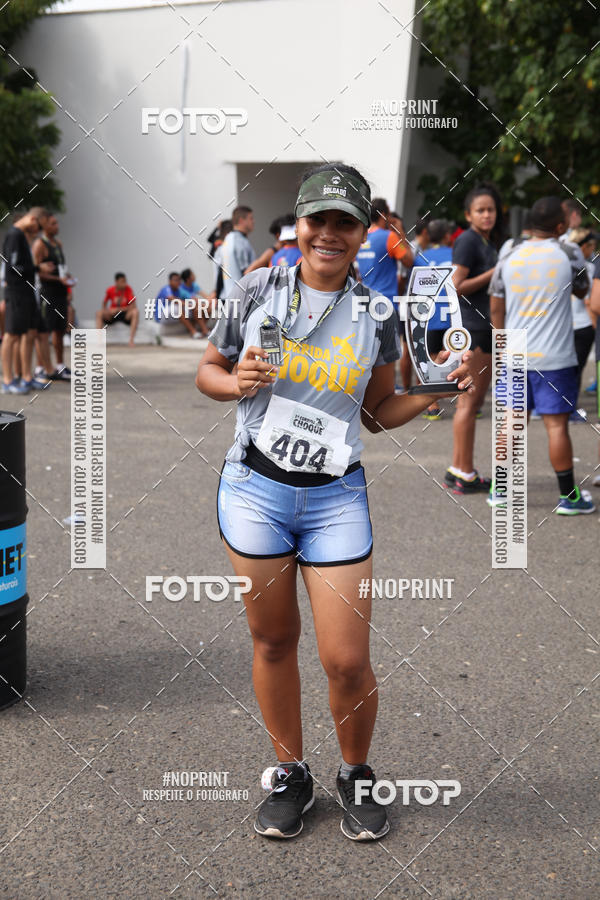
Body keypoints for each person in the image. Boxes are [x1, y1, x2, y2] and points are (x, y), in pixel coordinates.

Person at [195, 163, 473, 842]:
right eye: (317, 219)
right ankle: (290, 773)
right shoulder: (257, 286)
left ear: (362, 232)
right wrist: (234, 384)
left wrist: (443, 389)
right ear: (298, 224)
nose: (328, 233)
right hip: (255, 490)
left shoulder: (378, 311)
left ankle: (355, 772)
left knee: (347, 659)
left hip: (334, 499)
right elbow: (206, 370)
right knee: (273, 639)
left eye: (344, 222)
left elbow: (378, 411)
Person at [489, 196, 594, 514]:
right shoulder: (568, 251)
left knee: (510, 422)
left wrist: (502, 343)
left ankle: (500, 491)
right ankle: (569, 498)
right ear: (560, 227)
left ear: (530, 224)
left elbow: (496, 301)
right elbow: (581, 289)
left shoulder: (509, 252)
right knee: (556, 427)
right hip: (556, 357)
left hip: (514, 353)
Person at [445, 185, 499, 494]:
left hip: (483, 327)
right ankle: (463, 471)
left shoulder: (484, 240)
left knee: (474, 401)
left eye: (491, 209)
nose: (487, 214)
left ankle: (459, 469)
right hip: (472, 329)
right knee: (468, 402)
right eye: (480, 210)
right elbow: (456, 285)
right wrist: (494, 272)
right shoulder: (467, 240)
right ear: (469, 214)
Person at [356, 198, 413, 394]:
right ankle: (388, 387)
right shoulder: (388, 237)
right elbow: (408, 260)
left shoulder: (361, 237)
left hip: (365, 300)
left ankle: (368, 386)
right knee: (389, 349)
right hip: (387, 301)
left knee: (369, 345)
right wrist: (400, 232)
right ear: (384, 215)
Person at [1, 207, 53, 394]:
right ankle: (7, 380)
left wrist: (36, 269)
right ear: (32, 219)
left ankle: (26, 376)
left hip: (27, 292)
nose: (38, 232)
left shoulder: (21, 236)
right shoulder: (14, 235)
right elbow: (14, 267)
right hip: (16, 292)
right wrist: (38, 268)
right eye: (38, 227)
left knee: (29, 333)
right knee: (11, 334)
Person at [412, 219, 453, 419]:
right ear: (447, 236)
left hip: (429, 316)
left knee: (429, 358)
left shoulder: (421, 256)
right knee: (457, 356)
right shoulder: (455, 255)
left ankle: (431, 405)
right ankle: (466, 402)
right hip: (453, 316)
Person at [32, 212, 72, 380]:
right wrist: (57, 278)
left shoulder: (58, 244)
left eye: (57, 223)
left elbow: (61, 268)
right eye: (53, 224)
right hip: (47, 293)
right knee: (44, 331)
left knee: (59, 330)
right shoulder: (40, 245)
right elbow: (37, 272)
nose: (57, 227)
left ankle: (60, 366)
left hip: (61, 292)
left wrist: (68, 279)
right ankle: (40, 368)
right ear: (45, 226)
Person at [567, 227, 597, 404]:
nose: (593, 250)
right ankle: (571, 409)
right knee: (577, 370)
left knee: (566, 370)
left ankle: (566, 408)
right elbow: (588, 301)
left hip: (565, 326)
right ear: (584, 246)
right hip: (583, 325)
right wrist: (595, 326)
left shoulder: (560, 262)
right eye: (591, 246)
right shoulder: (589, 268)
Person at [153, 271, 204, 338]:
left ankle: (204, 331)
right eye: (176, 280)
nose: (178, 282)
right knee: (178, 307)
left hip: (172, 314)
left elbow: (191, 298)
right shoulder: (166, 289)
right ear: (170, 281)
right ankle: (193, 332)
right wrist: (188, 305)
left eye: (179, 280)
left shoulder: (180, 290)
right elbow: (173, 299)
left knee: (195, 308)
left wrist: (202, 304)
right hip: (161, 315)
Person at [221, 205, 256, 298]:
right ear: (241, 221)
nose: (254, 221)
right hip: (241, 297)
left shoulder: (228, 239)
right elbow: (247, 272)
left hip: (229, 295)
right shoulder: (239, 241)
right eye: (251, 218)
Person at [96, 272, 139, 345]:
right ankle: (99, 341)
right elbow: (104, 303)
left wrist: (119, 309)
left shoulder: (128, 289)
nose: (124, 283)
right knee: (99, 313)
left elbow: (133, 306)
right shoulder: (110, 290)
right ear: (116, 282)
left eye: (125, 281)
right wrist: (106, 311)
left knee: (135, 312)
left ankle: (131, 340)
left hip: (124, 314)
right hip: (112, 314)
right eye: (122, 281)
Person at [179, 268, 211, 337]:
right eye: (192, 275)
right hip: (185, 309)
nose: (194, 276)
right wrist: (205, 304)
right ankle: (204, 330)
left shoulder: (194, 285)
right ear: (188, 279)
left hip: (193, 306)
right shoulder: (182, 289)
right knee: (197, 308)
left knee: (209, 309)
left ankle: (201, 328)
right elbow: (194, 301)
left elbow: (205, 295)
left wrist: (210, 300)